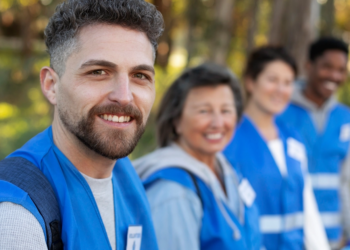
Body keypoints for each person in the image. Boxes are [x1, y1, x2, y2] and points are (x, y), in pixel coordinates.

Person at [0, 0, 164, 249]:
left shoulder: (124, 175)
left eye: (140, 76)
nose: (124, 95)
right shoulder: (16, 216)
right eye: (98, 72)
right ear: (51, 85)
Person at [133, 63, 262, 250]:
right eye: (204, 111)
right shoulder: (174, 192)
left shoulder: (227, 170)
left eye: (226, 111)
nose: (218, 123)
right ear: (176, 120)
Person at [224, 46, 330, 250]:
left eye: (288, 83)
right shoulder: (228, 139)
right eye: (272, 80)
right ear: (250, 82)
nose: (281, 90)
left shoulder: (293, 139)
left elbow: (307, 207)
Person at [277, 37, 350, 249]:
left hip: (334, 239)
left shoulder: (346, 119)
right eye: (327, 67)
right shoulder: (281, 112)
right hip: (290, 238)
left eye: (341, 70)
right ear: (309, 66)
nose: (334, 76)